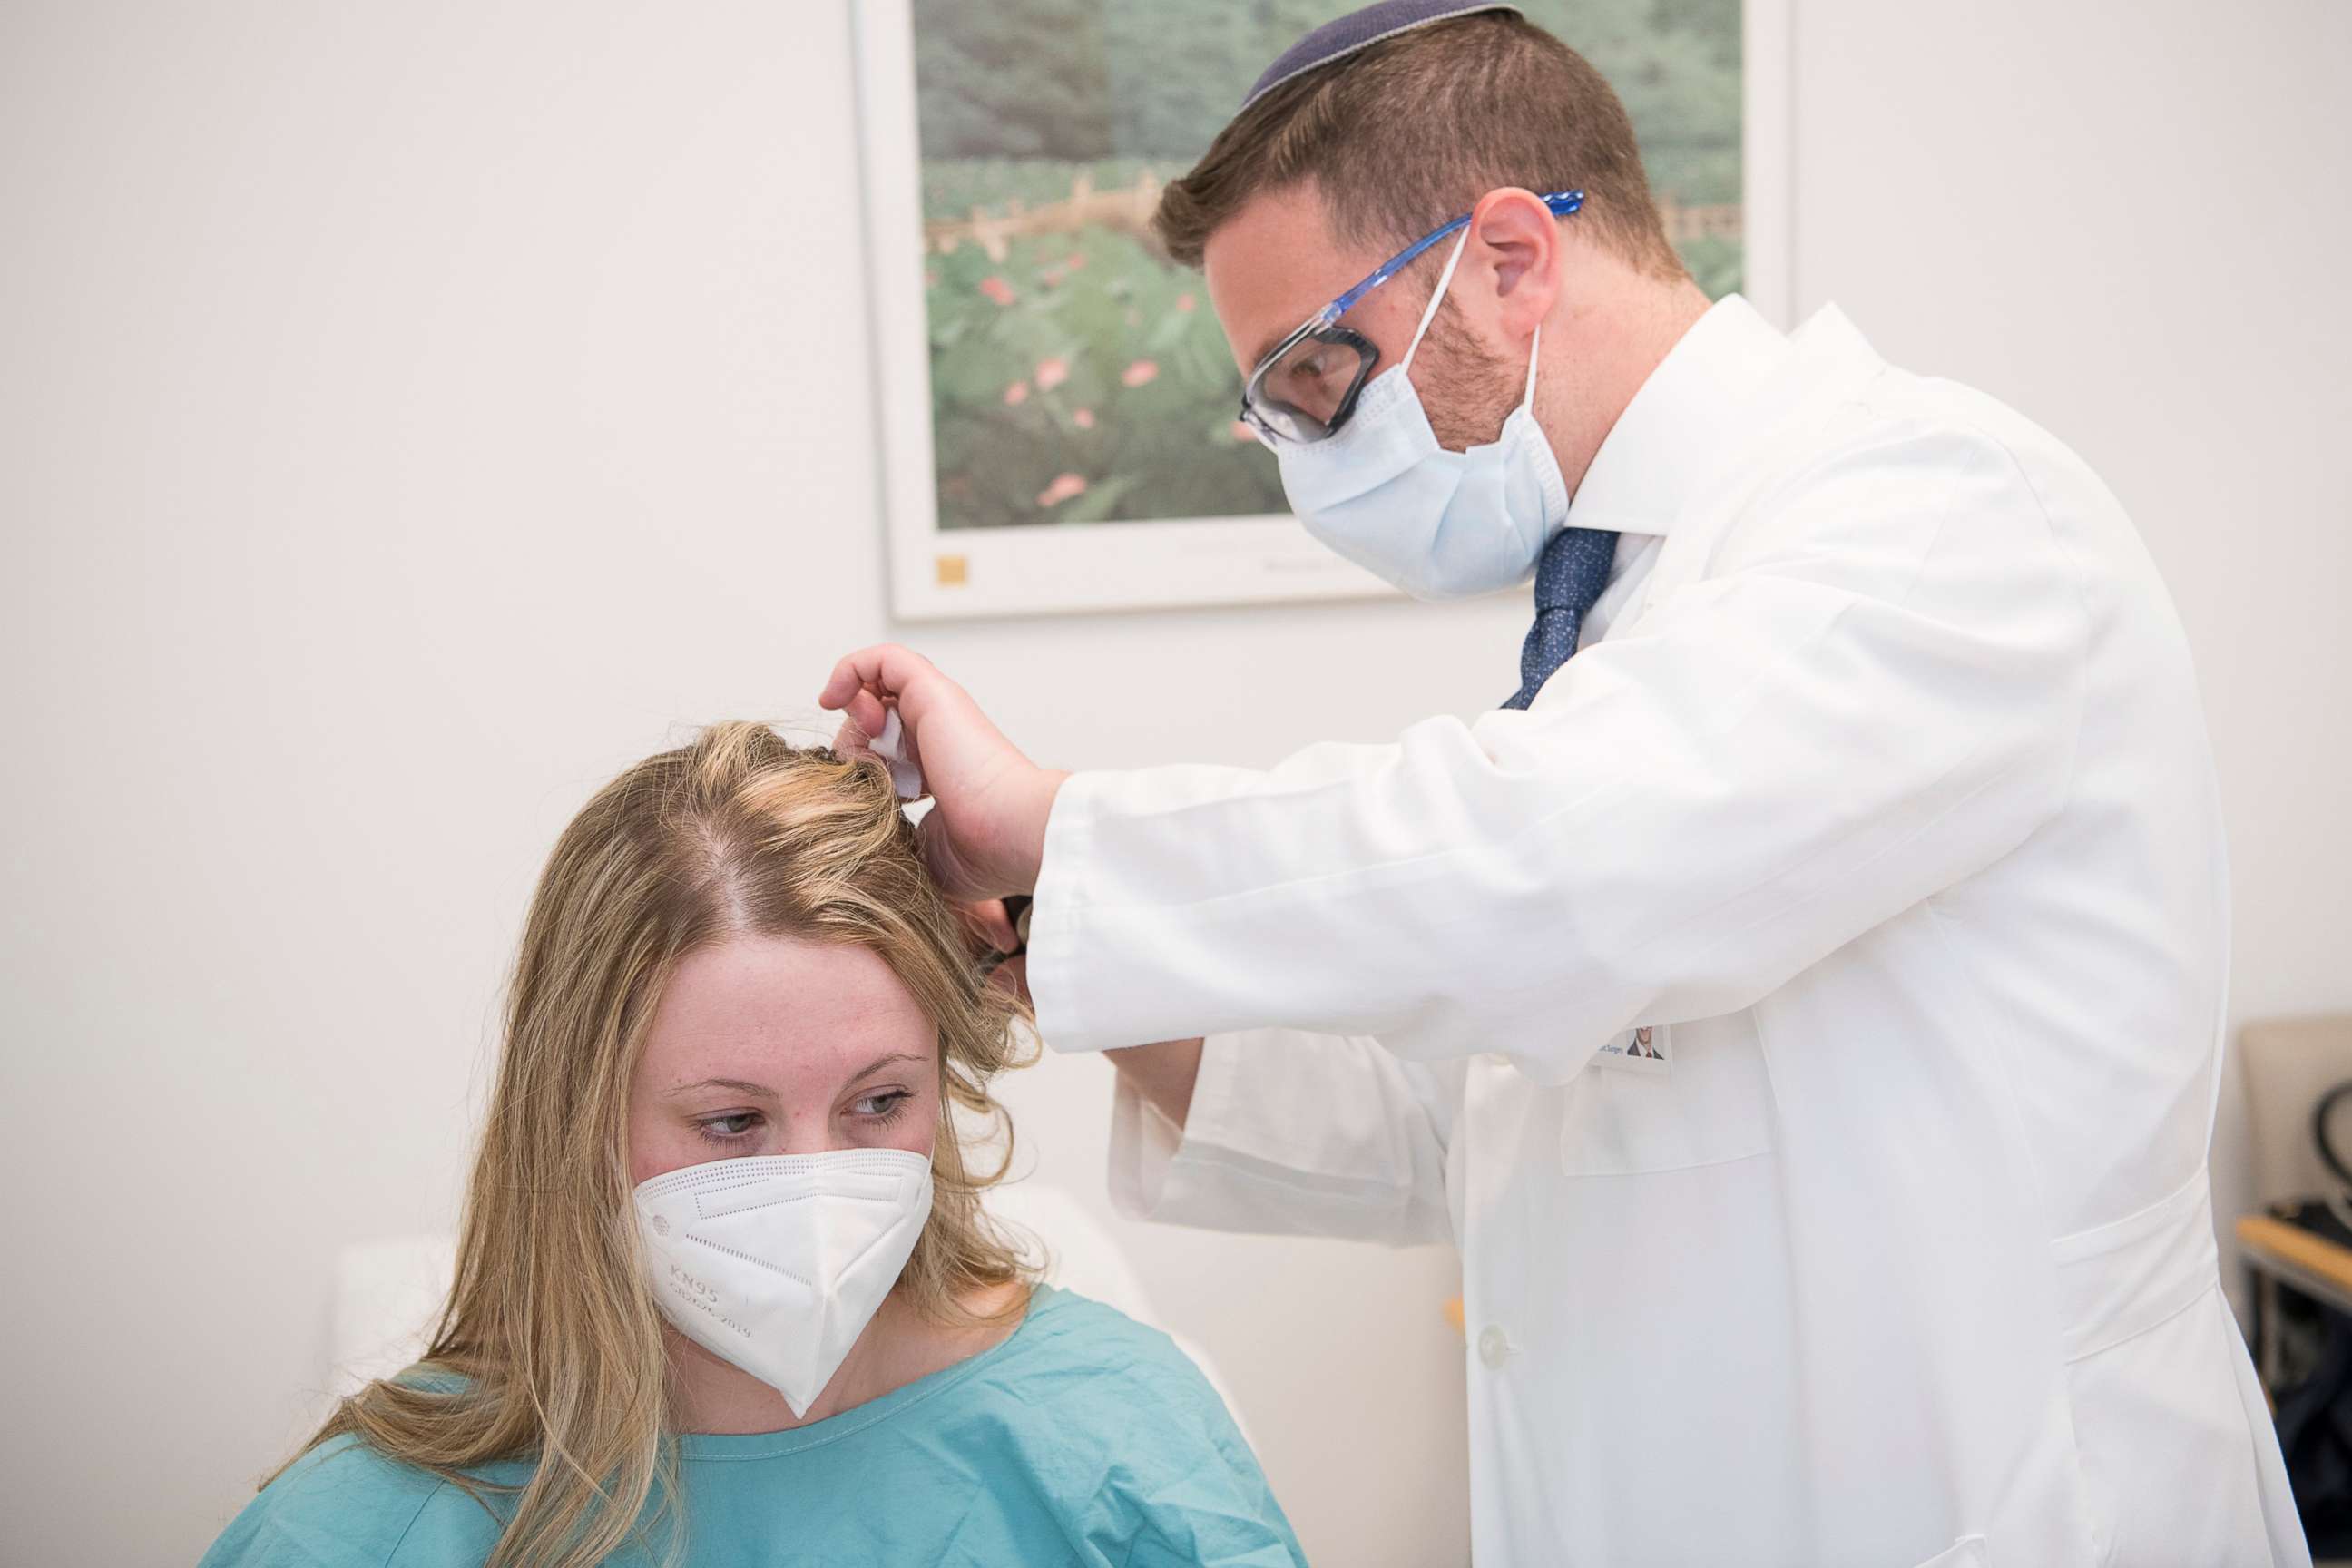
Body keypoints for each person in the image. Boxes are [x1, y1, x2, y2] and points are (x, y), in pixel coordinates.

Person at [818, 4, 2308, 1565]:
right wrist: (1074, 944)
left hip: (2000, 1506)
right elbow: (1499, 1122)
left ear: (1513, 255)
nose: (1303, 456)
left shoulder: (1934, 506)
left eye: (1315, 380)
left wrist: (1054, 820)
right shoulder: (1616, 626)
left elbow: (1561, 868)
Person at [199, 723, 1302, 1568]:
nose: (814, 1186)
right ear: (578, 1116)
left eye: (879, 1104)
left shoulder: (1116, 1441)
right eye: (732, 1122)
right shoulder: (381, 1521)